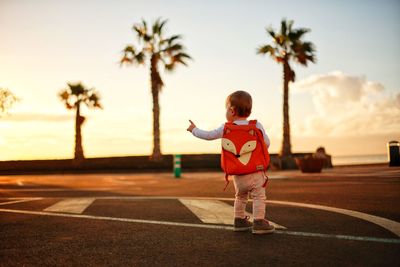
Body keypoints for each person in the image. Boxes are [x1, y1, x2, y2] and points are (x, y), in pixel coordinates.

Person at [187, 90, 275, 234]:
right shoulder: (256, 125)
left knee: (240, 196)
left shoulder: (226, 127)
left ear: (232, 110)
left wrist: (194, 129)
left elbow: (208, 135)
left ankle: (239, 220)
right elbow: (266, 143)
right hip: (255, 171)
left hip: (238, 174)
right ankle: (259, 221)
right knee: (258, 196)